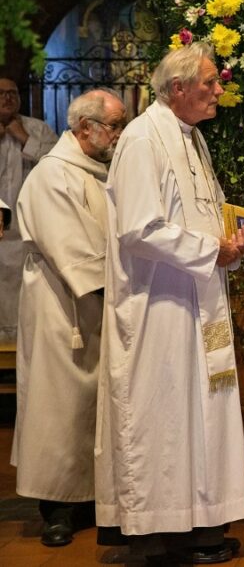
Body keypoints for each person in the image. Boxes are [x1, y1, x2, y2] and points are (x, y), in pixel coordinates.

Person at [94, 43, 244, 565]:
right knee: (167, 416)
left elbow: (200, 209)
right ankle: (161, 534)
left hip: (195, 296)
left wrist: (230, 239)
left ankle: (200, 523)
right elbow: (140, 229)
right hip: (158, 307)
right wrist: (212, 249)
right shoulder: (143, 139)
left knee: (201, 414)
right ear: (178, 87)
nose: (218, 91)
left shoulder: (190, 137)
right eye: (210, 82)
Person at [11, 89, 125, 547]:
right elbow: (72, 250)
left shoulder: (99, 171)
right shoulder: (51, 176)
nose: (119, 134)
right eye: (114, 126)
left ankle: (95, 499)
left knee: (91, 409)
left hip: (97, 307)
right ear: (85, 129)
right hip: (63, 308)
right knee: (57, 408)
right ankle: (56, 507)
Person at [0, 78, 58, 345]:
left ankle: (21, 353)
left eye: (12, 93)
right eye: (1, 93)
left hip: (27, 228)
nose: (7, 98)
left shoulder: (37, 128)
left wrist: (22, 137)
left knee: (24, 291)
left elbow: (57, 163)